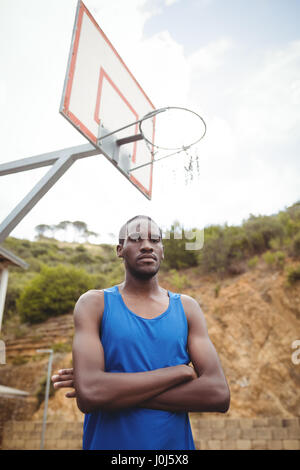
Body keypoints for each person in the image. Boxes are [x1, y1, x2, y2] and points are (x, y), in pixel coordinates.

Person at [52, 215, 230, 450]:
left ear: (162, 250)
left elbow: (217, 394)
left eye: (155, 239)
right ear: (120, 250)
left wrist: (113, 393)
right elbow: (91, 395)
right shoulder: (94, 304)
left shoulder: (187, 308)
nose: (146, 245)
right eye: (135, 239)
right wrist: (177, 373)